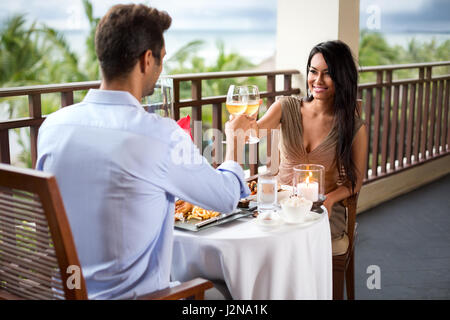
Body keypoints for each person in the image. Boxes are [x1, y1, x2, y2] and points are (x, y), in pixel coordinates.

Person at [36, 4, 252, 299]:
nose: (161, 68)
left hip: (65, 294)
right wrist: (235, 141)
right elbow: (227, 197)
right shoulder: (160, 136)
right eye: (162, 60)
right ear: (147, 60)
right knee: (234, 294)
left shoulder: (53, 127)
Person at [256, 40, 368, 255]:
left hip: (321, 212)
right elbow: (253, 133)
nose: (318, 80)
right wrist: (243, 122)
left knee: (290, 247)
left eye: (328, 74)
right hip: (280, 206)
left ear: (342, 78)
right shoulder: (285, 107)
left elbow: (356, 180)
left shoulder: (353, 127)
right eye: (313, 71)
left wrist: (331, 200)